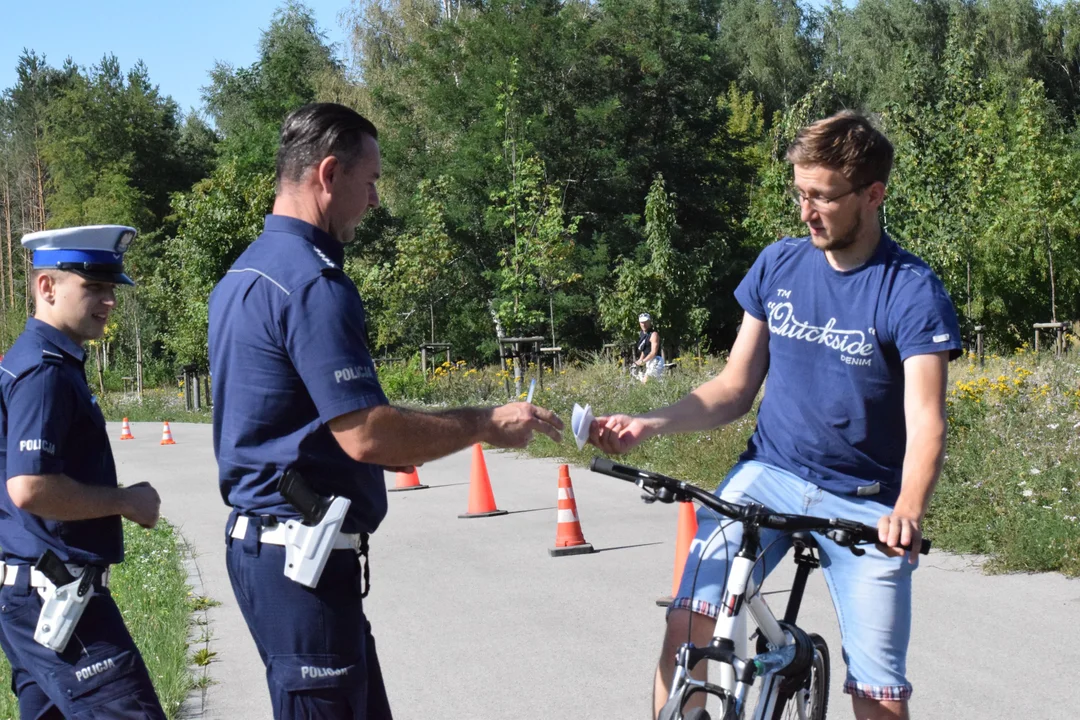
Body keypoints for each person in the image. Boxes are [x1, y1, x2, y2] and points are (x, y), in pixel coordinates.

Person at [590, 111, 960, 720]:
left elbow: (927, 422)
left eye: (822, 196)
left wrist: (908, 511)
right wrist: (649, 422)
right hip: (771, 472)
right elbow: (734, 388)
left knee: (880, 696)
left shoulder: (911, 290)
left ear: (873, 195)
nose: (806, 211)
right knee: (686, 628)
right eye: (799, 193)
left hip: (865, 500)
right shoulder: (779, 266)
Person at [207, 102, 563, 719]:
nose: (375, 201)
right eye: (369, 183)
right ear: (327, 175)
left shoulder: (243, 274)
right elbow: (368, 436)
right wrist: (483, 423)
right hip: (299, 562)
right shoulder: (313, 284)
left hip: (274, 554)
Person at [0, 225, 166, 718]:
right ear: (47, 287)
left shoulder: (39, 361)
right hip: (57, 599)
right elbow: (29, 487)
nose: (109, 300)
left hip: (35, 594)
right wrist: (124, 501)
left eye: (111, 288)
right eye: (93, 287)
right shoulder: (44, 372)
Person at [632, 312, 664, 382]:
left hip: (656, 360)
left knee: (646, 383)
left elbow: (653, 352)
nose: (644, 324)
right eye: (642, 322)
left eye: (646, 322)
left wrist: (642, 361)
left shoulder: (654, 334)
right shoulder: (642, 334)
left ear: (649, 322)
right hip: (648, 361)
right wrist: (640, 360)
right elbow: (645, 350)